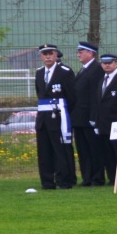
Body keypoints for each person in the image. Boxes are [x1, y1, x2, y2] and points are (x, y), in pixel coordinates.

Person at [34, 44, 77, 189]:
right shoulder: (39, 73)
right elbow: (40, 93)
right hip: (43, 118)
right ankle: (47, 182)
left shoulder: (64, 72)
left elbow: (72, 97)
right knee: (44, 151)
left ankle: (64, 180)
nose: (48, 56)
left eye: (50, 53)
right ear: (41, 56)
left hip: (58, 116)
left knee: (60, 149)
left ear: (56, 54)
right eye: (45, 54)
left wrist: (64, 112)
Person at [70, 41, 103, 187]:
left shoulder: (96, 69)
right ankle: (87, 177)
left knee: (94, 149)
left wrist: (93, 117)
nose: (78, 54)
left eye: (81, 52)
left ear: (90, 53)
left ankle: (97, 178)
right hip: (79, 118)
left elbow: (95, 96)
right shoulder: (84, 69)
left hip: (89, 118)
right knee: (83, 150)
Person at [93, 54, 117, 186]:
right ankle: (113, 178)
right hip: (103, 122)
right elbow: (99, 102)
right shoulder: (102, 79)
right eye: (104, 63)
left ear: (116, 64)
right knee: (107, 152)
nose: (107, 65)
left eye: (110, 62)